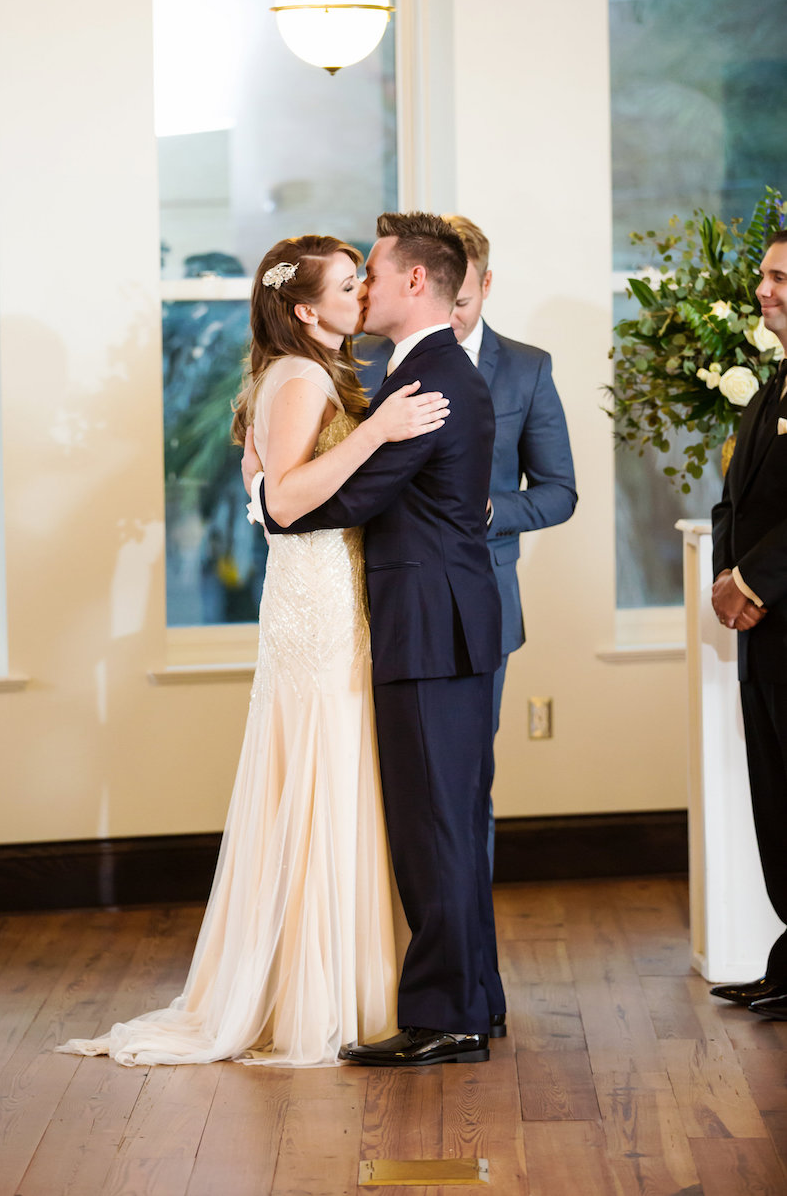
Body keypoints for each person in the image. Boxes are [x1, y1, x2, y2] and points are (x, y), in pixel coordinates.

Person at [57, 234, 449, 1067]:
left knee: (336, 775)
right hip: (316, 597)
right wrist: (378, 432)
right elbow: (282, 500)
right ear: (307, 310)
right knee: (320, 771)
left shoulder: (313, 370)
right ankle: (314, 996)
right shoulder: (303, 376)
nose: (365, 291)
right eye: (350, 283)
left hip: (331, 592)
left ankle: (342, 983)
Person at [255, 212, 507, 1067]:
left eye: (375, 270)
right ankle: (474, 1004)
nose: (364, 285)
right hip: (436, 623)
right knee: (449, 823)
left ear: (414, 283)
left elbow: (354, 499)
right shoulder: (421, 370)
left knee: (434, 827)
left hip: (430, 631)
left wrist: (271, 503)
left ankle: (447, 1019)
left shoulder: (427, 379)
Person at [360, 216, 577, 873]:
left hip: (479, 600)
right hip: (378, 594)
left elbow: (559, 491)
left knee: (462, 787)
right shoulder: (368, 360)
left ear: (484, 285)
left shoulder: (527, 369)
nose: (448, 319)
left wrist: (484, 511)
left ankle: (464, 937)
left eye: (464, 304)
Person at [709, 228, 787, 1022]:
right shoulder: (771, 388)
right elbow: (731, 501)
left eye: (779, 278)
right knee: (777, 802)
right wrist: (722, 582)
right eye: (765, 276)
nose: (764, 290)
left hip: (784, 618)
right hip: (763, 638)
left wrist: (755, 581)